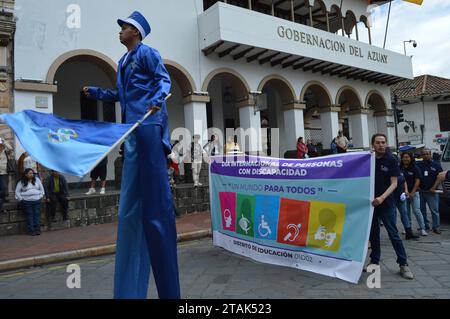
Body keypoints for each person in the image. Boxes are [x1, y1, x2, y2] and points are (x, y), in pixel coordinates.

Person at [83, 11, 180, 299]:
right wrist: (98, 94)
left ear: (135, 32)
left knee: (155, 206)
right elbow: (121, 95)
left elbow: (164, 82)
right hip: (132, 130)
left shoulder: (148, 53)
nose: (120, 31)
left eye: (124, 27)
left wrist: (155, 101)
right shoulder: (123, 62)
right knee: (130, 209)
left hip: (149, 126)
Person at [368, 133, 413, 279]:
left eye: (383, 142)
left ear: (386, 144)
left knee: (393, 234)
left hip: (386, 203)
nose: (381, 145)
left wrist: (381, 198)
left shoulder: (391, 160)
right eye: (378, 142)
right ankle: (374, 262)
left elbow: (394, 183)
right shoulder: (368, 159)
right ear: (373, 145)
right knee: (373, 235)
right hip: (371, 204)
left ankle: (403, 264)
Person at [400, 152, 427, 236]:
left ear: (411, 158)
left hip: (414, 193)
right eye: (404, 157)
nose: (405, 159)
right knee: (406, 212)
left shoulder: (415, 168)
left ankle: (423, 228)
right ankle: (408, 228)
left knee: (417, 211)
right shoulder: (399, 168)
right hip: (404, 194)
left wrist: (412, 192)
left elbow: (418, 180)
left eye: (407, 157)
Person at [416, 149, 443, 234]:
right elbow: (416, 177)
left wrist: (434, 187)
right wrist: (417, 187)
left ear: (430, 155)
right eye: (424, 154)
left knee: (434, 210)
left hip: (432, 192)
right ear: (421, 156)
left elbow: (440, 178)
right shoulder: (418, 165)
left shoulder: (436, 165)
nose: (426, 156)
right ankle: (425, 226)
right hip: (421, 191)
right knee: (421, 210)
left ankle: (436, 227)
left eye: (427, 154)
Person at [15, 168, 45, 236]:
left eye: (32, 173)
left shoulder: (37, 180)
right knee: (29, 215)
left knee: (36, 215)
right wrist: (21, 199)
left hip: (37, 200)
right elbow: (17, 192)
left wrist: (40, 196)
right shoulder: (21, 182)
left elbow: (42, 189)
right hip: (27, 201)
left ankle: (37, 229)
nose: (32, 175)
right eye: (30, 173)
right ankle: (31, 230)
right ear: (26, 174)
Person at [394, 171, 419, 240]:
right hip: (392, 197)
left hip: (401, 197)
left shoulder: (400, 170)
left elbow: (404, 181)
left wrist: (406, 190)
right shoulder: (389, 171)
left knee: (404, 214)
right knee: (393, 216)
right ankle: (393, 234)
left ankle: (409, 232)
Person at [0, 137, 13, 202]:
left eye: (1, 145)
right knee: (2, 187)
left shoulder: (5, 152)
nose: (0, 146)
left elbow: (10, 148)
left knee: (4, 187)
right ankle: (2, 199)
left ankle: (3, 198)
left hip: (4, 172)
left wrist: (3, 141)